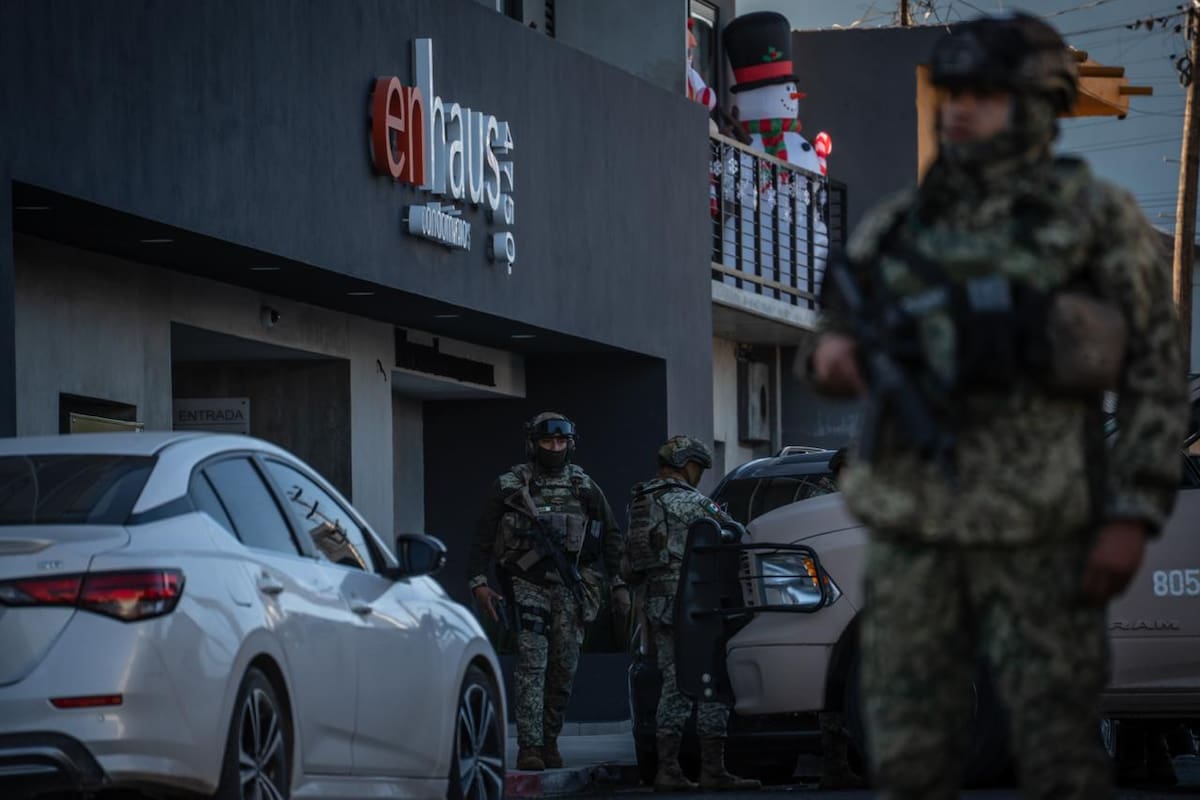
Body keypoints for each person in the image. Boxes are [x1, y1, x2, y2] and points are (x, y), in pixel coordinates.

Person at [808, 12, 1187, 800]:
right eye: (957, 94)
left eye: (986, 95)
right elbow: (839, 338)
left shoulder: (1096, 222)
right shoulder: (906, 228)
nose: (961, 111)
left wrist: (1130, 512)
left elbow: (1157, 376)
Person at [466, 412, 629, 772]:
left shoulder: (584, 486)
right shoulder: (510, 485)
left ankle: (550, 739)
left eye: (560, 442)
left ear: (570, 444)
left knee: (564, 668)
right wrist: (478, 582)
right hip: (528, 585)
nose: (554, 448)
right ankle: (530, 746)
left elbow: (611, 535)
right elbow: (482, 536)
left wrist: (617, 581)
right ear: (533, 444)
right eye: (547, 442)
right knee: (532, 664)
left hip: (572, 587)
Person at [624, 435, 761, 792]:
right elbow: (737, 533)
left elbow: (631, 564)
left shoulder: (641, 501)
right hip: (695, 605)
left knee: (674, 682)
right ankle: (712, 769)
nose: (698, 474)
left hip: (657, 604)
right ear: (686, 464)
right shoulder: (689, 502)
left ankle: (668, 767)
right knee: (710, 681)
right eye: (697, 467)